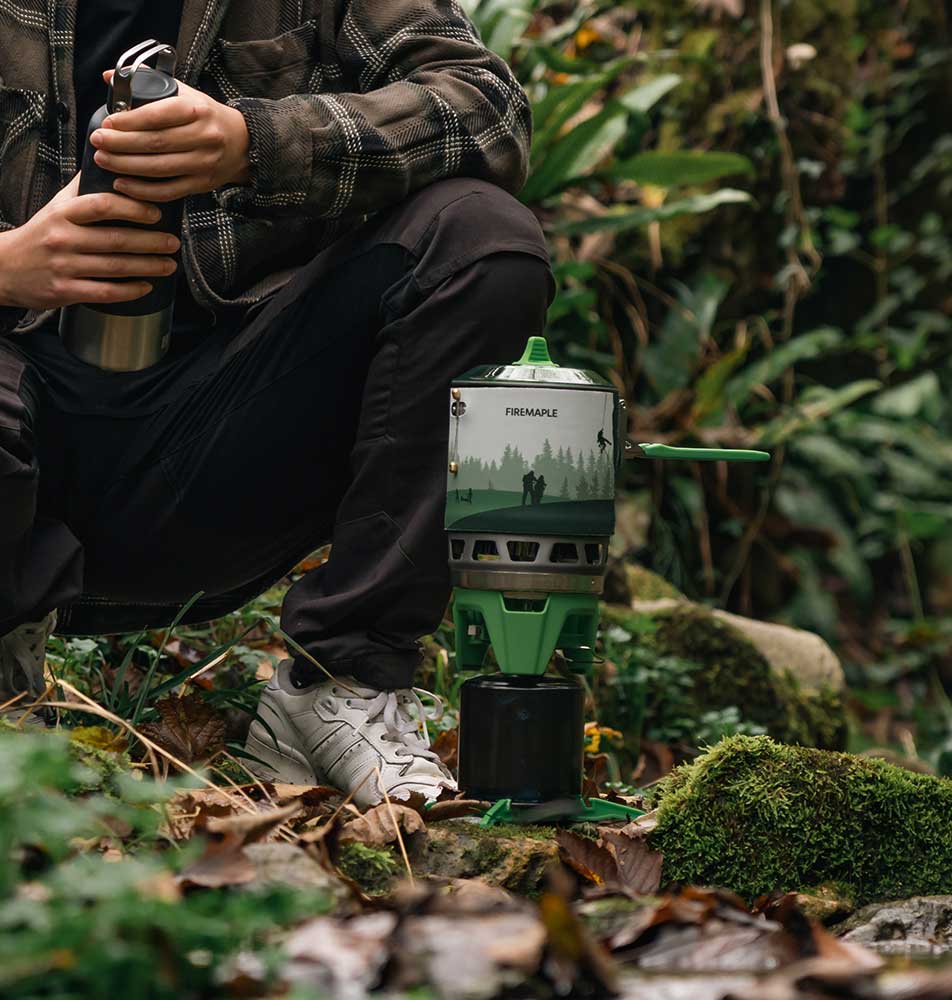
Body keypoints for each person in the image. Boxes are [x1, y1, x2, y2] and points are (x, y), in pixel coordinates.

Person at [0, 1, 552, 808]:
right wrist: (8, 264)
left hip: (219, 441)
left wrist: (255, 144)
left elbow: (488, 107)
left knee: (481, 238)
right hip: (20, 431)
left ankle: (340, 684)